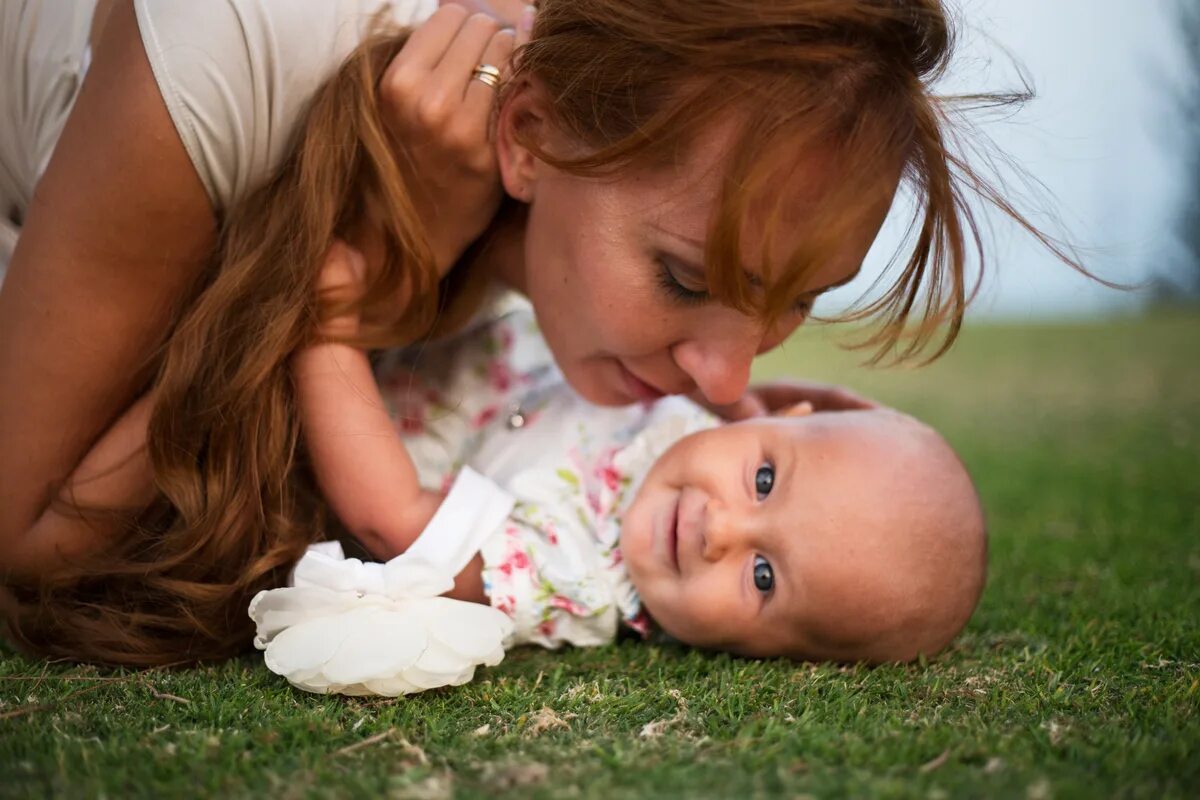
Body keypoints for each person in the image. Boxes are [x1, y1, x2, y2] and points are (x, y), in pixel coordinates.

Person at [0, 0, 1079, 665]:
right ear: (526, 135)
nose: (729, 375)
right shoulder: (246, 36)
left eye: (798, 297)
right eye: (685, 275)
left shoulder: (584, 181)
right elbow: (27, 542)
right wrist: (345, 287)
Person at [249, 305, 985, 696]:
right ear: (777, 418)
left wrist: (328, 328)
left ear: (767, 656)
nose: (719, 528)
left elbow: (395, 519)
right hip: (433, 318)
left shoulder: (576, 578)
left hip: (311, 412)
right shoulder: (702, 410)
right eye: (763, 481)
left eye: (763, 576)